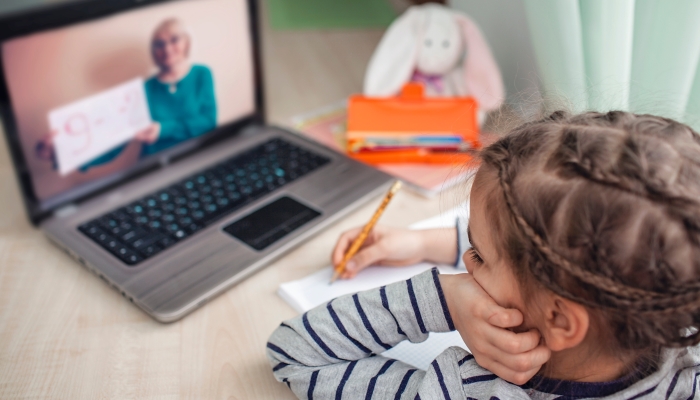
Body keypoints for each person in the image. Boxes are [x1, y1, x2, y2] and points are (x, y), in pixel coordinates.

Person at [266, 111, 700, 399]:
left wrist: (441, 300)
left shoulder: (469, 390)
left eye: (478, 254)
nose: (467, 263)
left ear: (561, 321)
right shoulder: (680, 351)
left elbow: (295, 352)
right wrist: (425, 243)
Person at [36, 18, 217, 169]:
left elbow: (208, 122)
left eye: (174, 40)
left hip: (199, 160)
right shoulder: (143, 90)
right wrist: (64, 154)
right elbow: (114, 142)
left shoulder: (202, 74)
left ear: (186, 42)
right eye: (159, 44)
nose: (167, 48)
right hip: (156, 169)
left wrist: (162, 130)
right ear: (154, 51)